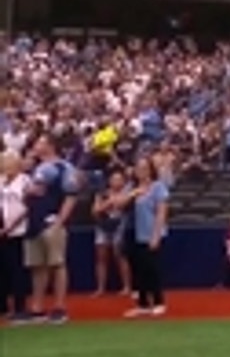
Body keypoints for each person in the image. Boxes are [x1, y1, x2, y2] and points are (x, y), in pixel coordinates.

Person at [22, 134, 78, 324]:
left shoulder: (63, 167)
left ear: (51, 146)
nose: (36, 146)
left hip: (51, 221)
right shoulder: (36, 168)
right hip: (34, 222)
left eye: (41, 142)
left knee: (57, 263)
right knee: (38, 266)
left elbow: (71, 195)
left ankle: (59, 307)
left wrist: (59, 222)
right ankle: (37, 308)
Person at [125, 156, 170, 318]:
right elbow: (118, 203)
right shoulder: (133, 187)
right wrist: (134, 193)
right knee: (139, 270)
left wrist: (156, 236)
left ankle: (159, 302)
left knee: (153, 269)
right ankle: (143, 304)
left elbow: (161, 212)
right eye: (138, 168)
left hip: (151, 233)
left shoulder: (158, 187)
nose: (141, 171)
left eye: (144, 168)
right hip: (136, 234)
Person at [1, 151, 32, 323]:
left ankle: (20, 307)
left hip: (18, 231)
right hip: (2, 230)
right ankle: (3, 306)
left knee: (17, 270)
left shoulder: (25, 181)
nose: (6, 165)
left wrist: (10, 226)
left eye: (9, 162)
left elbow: (27, 206)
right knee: (2, 270)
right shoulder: (0, 181)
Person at [91, 169, 133, 296]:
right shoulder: (101, 194)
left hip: (120, 225)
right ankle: (100, 288)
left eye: (119, 179)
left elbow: (123, 205)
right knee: (101, 257)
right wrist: (108, 203)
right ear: (109, 181)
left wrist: (115, 201)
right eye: (114, 179)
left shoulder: (128, 193)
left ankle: (127, 287)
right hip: (103, 225)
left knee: (120, 255)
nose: (116, 182)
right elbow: (94, 211)